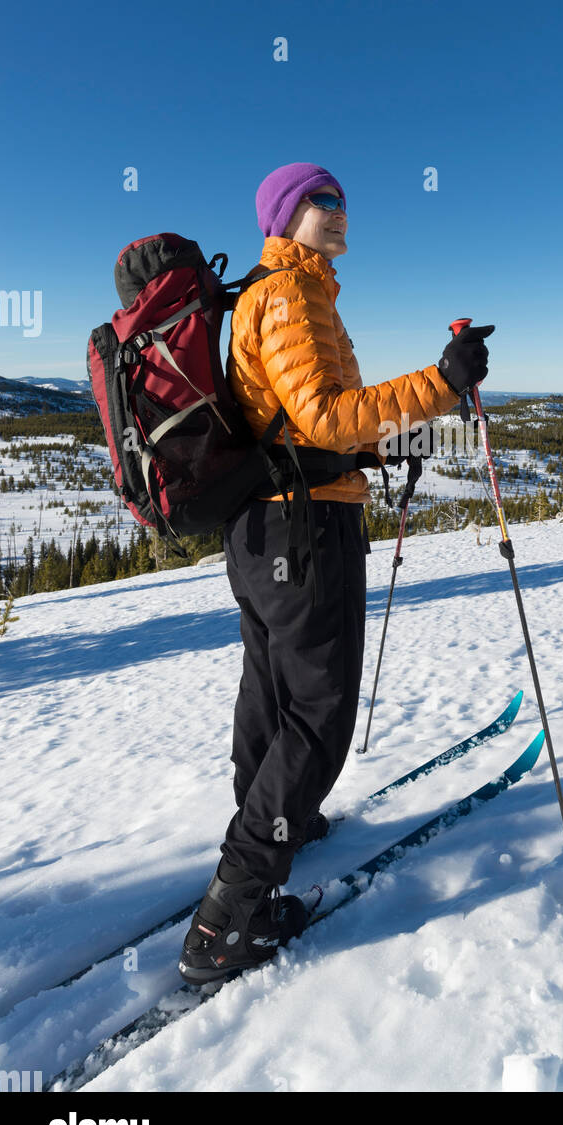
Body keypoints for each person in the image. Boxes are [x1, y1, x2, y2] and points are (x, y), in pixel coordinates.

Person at [179, 162, 493, 983]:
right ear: (288, 214)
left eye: (343, 197)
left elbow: (303, 423)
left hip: (266, 527)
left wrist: (393, 442)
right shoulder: (289, 292)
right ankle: (230, 918)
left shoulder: (280, 292)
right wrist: (443, 381)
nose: (341, 209)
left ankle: (279, 824)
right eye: (324, 199)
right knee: (318, 708)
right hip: (304, 525)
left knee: (275, 692)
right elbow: (323, 414)